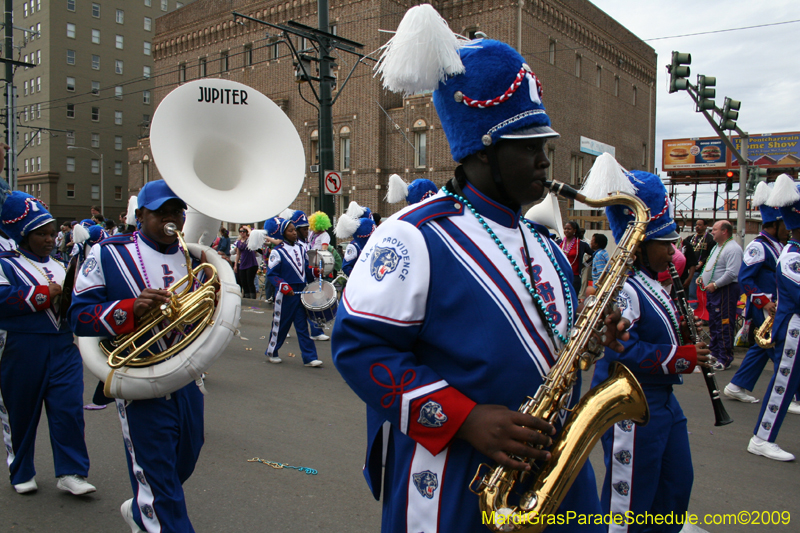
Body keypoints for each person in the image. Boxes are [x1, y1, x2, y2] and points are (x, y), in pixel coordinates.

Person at [333, 9, 615, 530]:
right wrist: (463, 418)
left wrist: (591, 338)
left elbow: (553, 349)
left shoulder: (546, 245)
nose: (545, 160)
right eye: (529, 145)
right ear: (482, 150)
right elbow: (359, 348)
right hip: (454, 480)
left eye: (545, 145)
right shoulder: (412, 235)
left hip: (550, 473)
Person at [69, 180, 208, 531]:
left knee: (185, 458)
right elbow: (79, 315)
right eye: (162, 212)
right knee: (160, 482)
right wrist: (130, 308)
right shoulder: (108, 253)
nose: (171, 218)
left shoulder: (190, 256)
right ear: (141, 215)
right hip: (138, 378)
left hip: (186, 376)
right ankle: (153, 512)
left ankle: (141, 506)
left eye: (177, 211)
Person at [589, 167, 711, 532]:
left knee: (675, 486)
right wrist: (682, 357)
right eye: (666, 243)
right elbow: (622, 349)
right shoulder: (624, 285)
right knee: (629, 503)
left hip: (663, 400)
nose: (673, 251)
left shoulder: (651, 283)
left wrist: (686, 339)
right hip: (633, 405)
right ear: (640, 244)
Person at [0, 190, 96, 496]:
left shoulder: (60, 265)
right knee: (22, 412)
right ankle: (21, 469)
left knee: (68, 409)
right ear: (25, 235)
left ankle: (72, 471)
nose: (49, 239)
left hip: (63, 346)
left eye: (53, 233)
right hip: (22, 346)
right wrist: (42, 295)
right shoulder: (6, 264)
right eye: (41, 234)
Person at [744, 174, 800, 461]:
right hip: (791, 330)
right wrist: (764, 303)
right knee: (782, 384)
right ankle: (762, 437)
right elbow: (747, 279)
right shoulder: (791, 256)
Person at [725, 183, 791, 404]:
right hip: (767, 308)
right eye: (785, 225)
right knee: (783, 351)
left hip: (777, 306)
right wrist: (764, 302)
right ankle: (792, 396)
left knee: (762, 348)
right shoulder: (759, 246)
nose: (789, 229)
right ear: (775, 224)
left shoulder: (778, 245)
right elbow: (746, 278)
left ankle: (736, 385)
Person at [263, 217, 323, 367]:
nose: (294, 233)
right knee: (281, 324)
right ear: (283, 234)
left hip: (301, 291)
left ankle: (310, 357)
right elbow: (272, 273)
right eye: (290, 231)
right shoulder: (277, 252)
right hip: (286, 293)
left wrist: (316, 271)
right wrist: (283, 286)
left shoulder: (302, 248)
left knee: (302, 326)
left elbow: (308, 270)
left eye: (294, 230)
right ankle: (272, 351)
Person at [699, 220, 743, 370]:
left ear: (725, 231)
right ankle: (716, 352)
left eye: (715, 230)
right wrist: (702, 277)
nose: (712, 232)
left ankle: (725, 358)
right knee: (714, 323)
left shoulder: (733, 249)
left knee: (723, 324)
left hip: (725, 290)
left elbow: (732, 273)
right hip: (714, 292)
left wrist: (716, 284)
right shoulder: (717, 247)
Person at [683, 219, 715, 303]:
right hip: (690, 269)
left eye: (700, 225)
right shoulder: (690, 238)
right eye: (696, 224)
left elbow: (711, 254)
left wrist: (702, 262)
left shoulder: (710, 239)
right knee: (689, 291)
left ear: (705, 226)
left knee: (696, 292)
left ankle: (696, 309)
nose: (697, 226)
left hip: (701, 270)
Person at [561, 220, 592, 296]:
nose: (566, 230)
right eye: (565, 228)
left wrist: (585, 265)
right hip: (560, 274)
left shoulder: (581, 244)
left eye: (569, 229)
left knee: (572, 297)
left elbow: (594, 255)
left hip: (574, 276)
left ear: (574, 230)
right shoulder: (559, 242)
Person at [234, 225, 258, 299]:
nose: (242, 233)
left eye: (243, 231)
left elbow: (252, 236)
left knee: (249, 281)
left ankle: (252, 298)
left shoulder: (249, 240)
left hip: (251, 263)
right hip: (243, 263)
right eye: (240, 231)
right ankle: (246, 297)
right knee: (243, 281)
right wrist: (235, 265)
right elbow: (238, 254)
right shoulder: (238, 242)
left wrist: (247, 228)